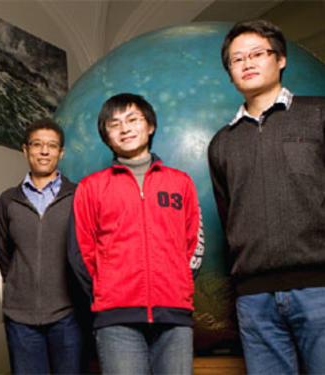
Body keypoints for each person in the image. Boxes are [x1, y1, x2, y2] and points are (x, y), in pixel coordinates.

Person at [208, 19, 325, 374]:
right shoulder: (222, 143)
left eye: (257, 53)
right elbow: (229, 214)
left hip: (319, 288)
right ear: (230, 73)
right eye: (236, 59)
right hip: (254, 299)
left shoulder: (319, 114)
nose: (247, 63)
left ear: (281, 59)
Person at [68, 93, 204, 374]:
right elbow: (81, 251)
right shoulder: (91, 187)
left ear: (150, 126)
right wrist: (106, 290)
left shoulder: (181, 183)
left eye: (132, 119)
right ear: (106, 136)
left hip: (174, 314)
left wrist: (176, 283)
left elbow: (193, 242)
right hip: (116, 319)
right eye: (115, 124)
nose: (125, 128)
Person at [0, 119, 82, 374]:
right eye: (37, 145)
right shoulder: (8, 200)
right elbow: (4, 254)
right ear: (25, 149)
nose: (44, 151)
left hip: (68, 316)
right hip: (20, 319)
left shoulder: (78, 196)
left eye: (52, 146)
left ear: (61, 152)